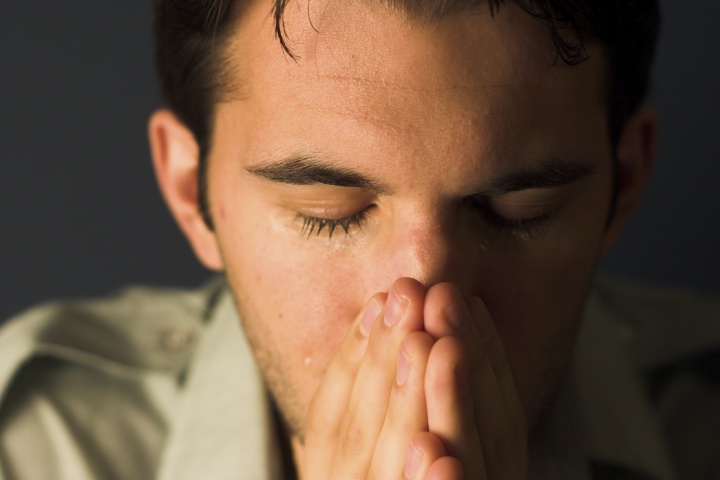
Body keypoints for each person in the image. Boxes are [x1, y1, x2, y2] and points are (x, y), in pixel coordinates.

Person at [0, 0, 718, 479]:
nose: (425, 301)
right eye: (330, 212)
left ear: (623, 187)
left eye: (516, 210)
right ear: (193, 194)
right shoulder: (31, 449)